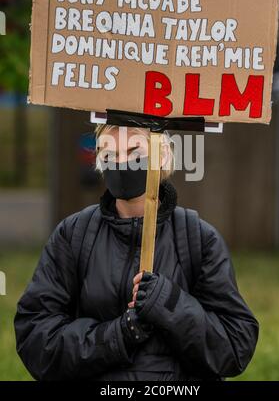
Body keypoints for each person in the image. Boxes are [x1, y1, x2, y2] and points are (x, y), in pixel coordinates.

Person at [14, 124, 259, 381]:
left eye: (134, 151)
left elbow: (234, 347)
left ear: (162, 155)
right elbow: (36, 338)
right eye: (108, 154)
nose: (121, 163)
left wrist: (169, 303)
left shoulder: (199, 238)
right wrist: (118, 335)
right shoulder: (73, 234)